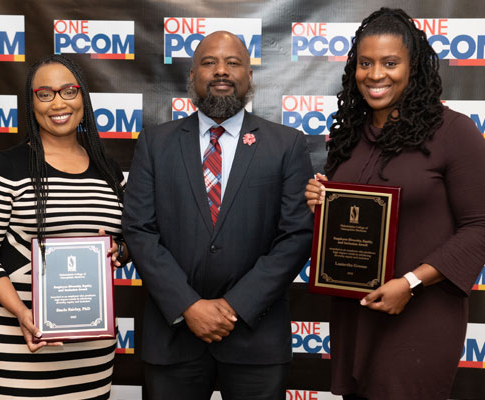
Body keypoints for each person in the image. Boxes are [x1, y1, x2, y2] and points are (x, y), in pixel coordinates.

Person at [305, 8, 485, 400]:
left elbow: (480, 227)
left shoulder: (454, 132)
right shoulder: (349, 136)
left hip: (420, 315)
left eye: (390, 63)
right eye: (365, 63)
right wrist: (321, 200)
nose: (375, 75)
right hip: (357, 314)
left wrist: (411, 282)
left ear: (413, 67)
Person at [122, 31, 313, 400]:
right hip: (173, 336)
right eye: (209, 63)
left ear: (249, 76)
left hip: (256, 338)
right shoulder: (155, 143)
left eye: (233, 62)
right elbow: (139, 231)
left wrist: (233, 307)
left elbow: (297, 235)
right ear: (191, 76)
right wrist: (188, 306)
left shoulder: (286, 144)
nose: (221, 71)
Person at [0, 54, 129, 399]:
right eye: (44, 94)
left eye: (68, 91)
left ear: (83, 98)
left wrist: (118, 251)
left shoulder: (109, 170)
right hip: (19, 342)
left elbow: (126, 242)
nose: (58, 103)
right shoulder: (7, 167)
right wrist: (22, 313)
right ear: (31, 104)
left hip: (91, 349)